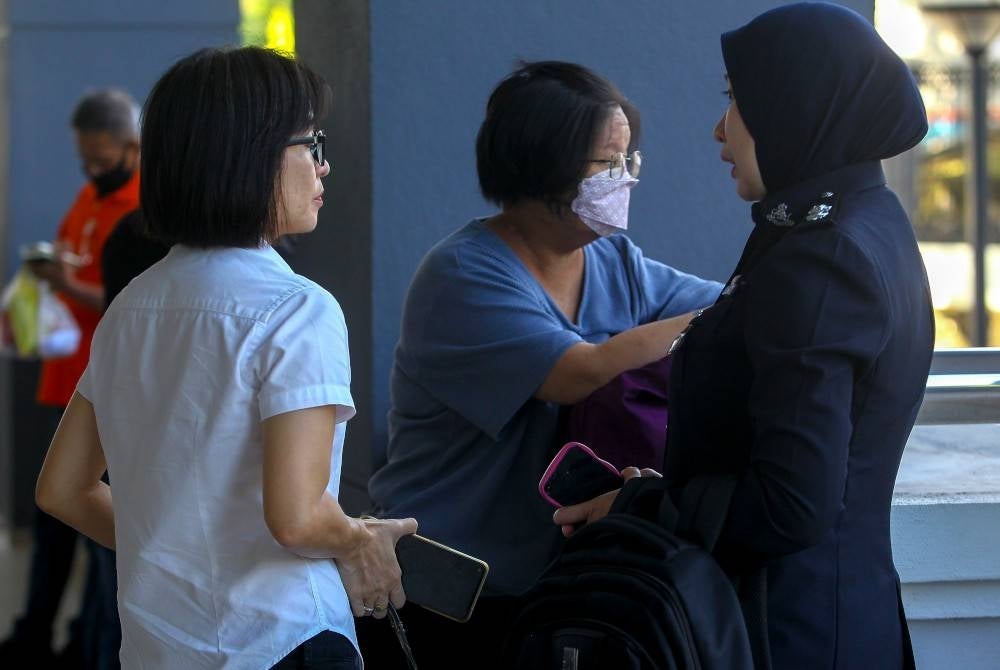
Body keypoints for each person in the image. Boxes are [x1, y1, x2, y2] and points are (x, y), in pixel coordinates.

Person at [554, 4, 933, 670]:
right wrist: (670, 492)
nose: (720, 130)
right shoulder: (859, 220)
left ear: (796, 103)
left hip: (784, 630)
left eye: (737, 101)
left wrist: (643, 503)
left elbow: (791, 507)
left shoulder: (823, 256)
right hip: (828, 615)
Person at [35, 46, 417, 669]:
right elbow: (297, 517)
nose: (325, 168)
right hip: (283, 640)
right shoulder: (299, 309)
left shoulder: (132, 307)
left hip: (160, 646)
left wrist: (168, 557)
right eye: (312, 144)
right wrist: (362, 542)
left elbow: (63, 489)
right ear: (253, 156)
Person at [362, 61, 721, 667]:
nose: (625, 179)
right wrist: (718, 320)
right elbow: (580, 371)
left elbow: (722, 302)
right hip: (444, 598)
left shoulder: (616, 262)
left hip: (546, 595)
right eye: (607, 165)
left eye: (629, 161)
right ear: (543, 167)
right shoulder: (462, 275)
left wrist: (755, 300)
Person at [1, 88, 141, 667]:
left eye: (102, 158)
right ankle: (37, 638)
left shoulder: (143, 211)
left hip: (108, 391)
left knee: (103, 544)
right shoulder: (88, 196)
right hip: (63, 384)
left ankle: (94, 650)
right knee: (52, 520)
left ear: (133, 148)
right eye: (85, 157)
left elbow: (126, 300)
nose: (91, 168)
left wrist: (62, 285)